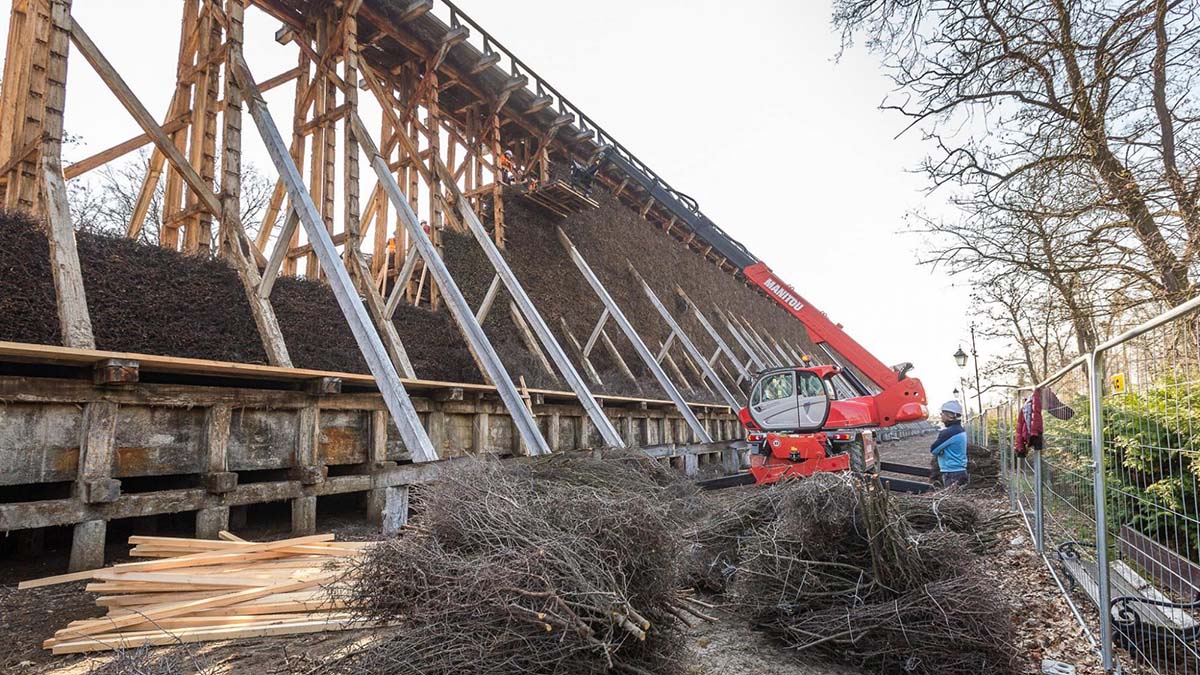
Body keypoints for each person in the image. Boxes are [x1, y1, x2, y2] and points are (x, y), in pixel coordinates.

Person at [930, 400, 969, 487]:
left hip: (951, 473)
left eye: (942, 413)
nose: (941, 415)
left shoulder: (949, 432)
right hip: (960, 470)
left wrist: (941, 451)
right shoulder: (960, 430)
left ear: (949, 415)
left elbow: (934, 449)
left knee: (952, 494)